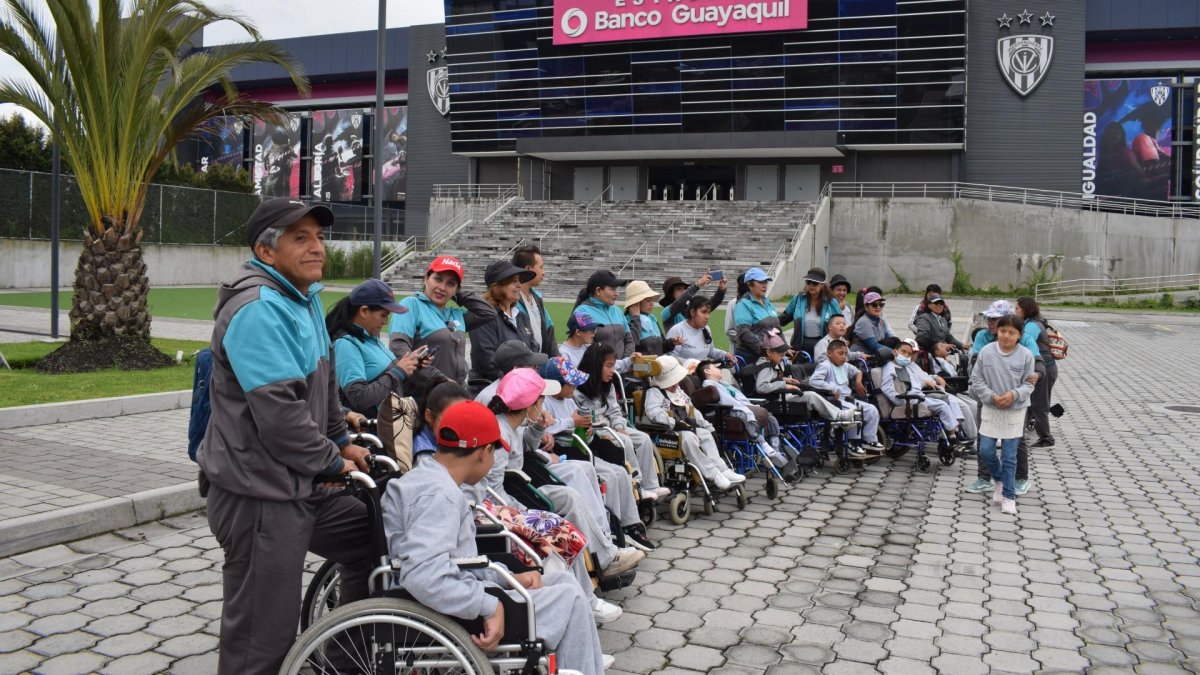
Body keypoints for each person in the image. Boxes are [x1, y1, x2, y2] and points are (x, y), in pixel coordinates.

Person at [198, 198, 373, 674]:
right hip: (259, 493)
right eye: (300, 238)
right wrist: (332, 461)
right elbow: (280, 416)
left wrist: (340, 440)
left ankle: (341, 660)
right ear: (266, 251)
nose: (317, 247)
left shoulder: (303, 297)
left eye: (318, 236)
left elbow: (323, 387)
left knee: (376, 541)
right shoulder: (259, 308)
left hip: (299, 482)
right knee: (261, 638)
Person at [381, 400, 610, 674]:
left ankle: (581, 664)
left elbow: (457, 560)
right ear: (484, 452)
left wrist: (505, 577)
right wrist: (488, 606)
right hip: (449, 609)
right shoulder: (440, 496)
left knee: (561, 580)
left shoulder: (429, 478)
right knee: (570, 601)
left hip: (457, 589)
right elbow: (423, 574)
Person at [481, 368, 645, 580]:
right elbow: (495, 490)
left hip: (520, 484)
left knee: (571, 493)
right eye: (540, 401)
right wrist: (522, 512)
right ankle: (604, 558)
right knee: (569, 497)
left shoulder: (515, 422)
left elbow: (527, 448)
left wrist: (539, 427)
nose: (543, 406)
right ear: (528, 405)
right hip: (512, 496)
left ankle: (606, 550)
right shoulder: (501, 433)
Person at [539, 357, 656, 551]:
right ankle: (613, 530)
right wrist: (572, 422)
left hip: (582, 447)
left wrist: (590, 432)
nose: (574, 387)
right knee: (609, 477)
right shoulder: (546, 404)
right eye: (571, 383)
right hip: (565, 452)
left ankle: (630, 525)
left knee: (619, 472)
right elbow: (546, 431)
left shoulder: (568, 400)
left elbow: (582, 428)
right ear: (557, 385)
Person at [574, 342, 672, 501]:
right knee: (625, 441)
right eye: (608, 366)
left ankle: (651, 484)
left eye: (613, 366)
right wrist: (613, 430)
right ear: (595, 365)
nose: (612, 371)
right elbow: (584, 419)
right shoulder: (578, 391)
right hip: (597, 429)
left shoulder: (608, 386)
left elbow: (614, 410)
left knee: (643, 438)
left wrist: (619, 426)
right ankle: (637, 485)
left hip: (611, 425)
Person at [964, 300, 1039, 496]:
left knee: (1015, 443)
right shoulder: (983, 337)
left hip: (1015, 402)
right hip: (989, 397)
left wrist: (1034, 376)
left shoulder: (1025, 342)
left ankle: (1019, 479)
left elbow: (1036, 367)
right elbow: (976, 364)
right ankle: (984, 477)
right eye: (989, 318)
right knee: (984, 441)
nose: (990, 322)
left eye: (995, 319)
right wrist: (991, 394)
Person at [327, 279, 428, 416]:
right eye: (383, 315)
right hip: (371, 430)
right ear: (364, 311)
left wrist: (411, 364)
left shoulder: (370, 338)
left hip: (389, 427)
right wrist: (398, 371)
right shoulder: (345, 344)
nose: (385, 321)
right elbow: (359, 398)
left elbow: (391, 382)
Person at [643, 355, 746, 489]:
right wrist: (674, 422)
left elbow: (693, 411)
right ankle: (713, 474)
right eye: (673, 381)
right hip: (667, 432)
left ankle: (723, 469)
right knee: (689, 438)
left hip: (686, 427)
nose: (676, 384)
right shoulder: (654, 393)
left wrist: (709, 427)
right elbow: (654, 413)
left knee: (704, 434)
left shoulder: (678, 391)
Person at [388, 256, 493, 385]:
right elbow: (398, 347)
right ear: (426, 278)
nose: (442, 287)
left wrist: (457, 294)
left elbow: (488, 313)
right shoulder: (411, 304)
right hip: (421, 395)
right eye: (438, 279)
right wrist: (438, 379)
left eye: (451, 283)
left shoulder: (456, 314)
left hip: (454, 393)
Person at [696, 359, 796, 477]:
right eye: (715, 367)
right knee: (755, 414)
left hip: (742, 406)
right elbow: (728, 401)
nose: (719, 369)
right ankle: (763, 443)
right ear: (707, 371)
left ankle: (775, 447)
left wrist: (751, 405)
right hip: (730, 411)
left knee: (770, 417)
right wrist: (747, 407)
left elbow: (741, 398)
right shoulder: (709, 386)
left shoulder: (724, 384)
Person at [880, 340, 974, 446]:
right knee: (942, 405)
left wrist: (931, 384)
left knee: (950, 401)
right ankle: (952, 436)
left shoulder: (907, 367)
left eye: (909, 354)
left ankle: (957, 432)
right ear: (894, 352)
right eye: (903, 352)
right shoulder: (890, 368)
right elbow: (887, 388)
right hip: (906, 399)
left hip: (917, 395)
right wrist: (901, 400)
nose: (906, 355)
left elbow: (918, 382)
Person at [809, 340, 885, 455]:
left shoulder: (845, 366)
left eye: (845, 354)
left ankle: (869, 440)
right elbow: (813, 381)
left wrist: (858, 381)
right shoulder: (825, 366)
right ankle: (851, 442)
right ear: (829, 353)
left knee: (872, 410)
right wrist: (832, 388)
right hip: (834, 401)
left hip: (847, 399)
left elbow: (858, 371)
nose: (844, 357)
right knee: (854, 412)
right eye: (840, 353)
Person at [469, 260, 538, 383]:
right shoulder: (482, 316)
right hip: (492, 389)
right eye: (513, 281)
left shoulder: (521, 316)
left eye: (519, 281)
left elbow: (534, 349)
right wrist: (520, 379)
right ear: (496, 286)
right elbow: (486, 361)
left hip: (520, 385)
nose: (519, 286)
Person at [573, 270, 637, 372]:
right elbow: (588, 348)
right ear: (598, 291)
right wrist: (610, 367)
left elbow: (629, 340)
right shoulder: (582, 312)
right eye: (612, 289)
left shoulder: (617, 310)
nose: (616, 294)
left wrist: (624, 363)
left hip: (620, 373)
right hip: (597, 374)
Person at [1016, 297, 1058, 448]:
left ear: (1026, 310)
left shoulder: (1032, 326)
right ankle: (1018, 433)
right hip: (1043, 367)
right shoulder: (1031, 322)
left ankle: (1046, 438)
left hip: (1043, 368)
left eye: (1018, 308)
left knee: (1039, 404)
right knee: (1031, 402)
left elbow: (1024, 344)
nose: (1015, 311)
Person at [782, 267, 842, 357]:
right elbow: (784, 318)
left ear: (822, 284)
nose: (811, 285)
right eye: (808, 282)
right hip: (800, 347)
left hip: (824, 348)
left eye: (815, 283)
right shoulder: (798, 298)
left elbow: (840, 325)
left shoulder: (831, 302)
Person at [513, 245, 558, 358]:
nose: (543, 272)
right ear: (528, 269)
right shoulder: (512, 301)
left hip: (539, 365)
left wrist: (556, 362)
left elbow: (549, 334)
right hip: (522, 367)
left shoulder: (537, 299)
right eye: (541, 267)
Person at [666, 295, 735, 364]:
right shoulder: (677, 330)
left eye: (708, 313)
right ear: (692, 312)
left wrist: (726, 355)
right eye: (703, 312)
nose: (707, 317)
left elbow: (710, 351)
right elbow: (672, 358)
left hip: (702, 371)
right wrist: (694, 365)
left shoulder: (706, 329)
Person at [733, 267, 783, 363]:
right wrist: (765, 351)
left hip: (769, 356)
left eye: (766, 282)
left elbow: (777, 330)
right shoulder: (743, 304)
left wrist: (783, 348)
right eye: (760, 282)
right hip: (751, 359)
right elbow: (744, 333)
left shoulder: (768, 303)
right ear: (749, 284)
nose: (764, 285)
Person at [624, 280, 677, 356]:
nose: (652, 304)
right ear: (636, 303)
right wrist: (636, 318)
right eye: (648, 301)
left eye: (652, 300)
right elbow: (631, 345)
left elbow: (661, 347)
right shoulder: (627, 321)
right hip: (639, 367)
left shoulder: (652, 319)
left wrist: (671, 343)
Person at [661, 273, 728, 330]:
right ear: (670, 294)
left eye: (684, 288)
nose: (683, 291)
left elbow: (710, 305)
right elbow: (678, 303)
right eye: (678, 289)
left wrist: (721, 290)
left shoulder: (688, 308)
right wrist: (697, 285)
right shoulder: (665, 313)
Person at [852, 291, 899, 362]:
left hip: (875, 354)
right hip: (862, 358)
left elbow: (889, 337)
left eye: (881, 304)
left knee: (896, 341)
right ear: (866, 307)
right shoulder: (864, 322)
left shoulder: (881, 320)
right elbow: (873, 345)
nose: (878, 307)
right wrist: (893, 352)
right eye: (874, 305)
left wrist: (901, 347)